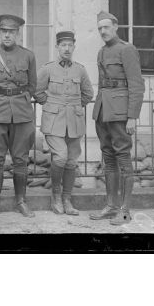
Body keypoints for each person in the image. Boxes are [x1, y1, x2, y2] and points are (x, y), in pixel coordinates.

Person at [90, 11, 145, 225]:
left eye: (106, 27)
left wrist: (132, 116)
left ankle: (125, 210)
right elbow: (103, 85)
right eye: (100, 28)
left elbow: (137, 85)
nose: (103, 31)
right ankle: (111, 206)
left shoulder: (127, 49)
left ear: (115, 26)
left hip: (121, 113)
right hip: (103, 111)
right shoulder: (101, 52)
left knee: (123, 158)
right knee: (108, 157)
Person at [0, 14, 37, 218]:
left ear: (18, 33)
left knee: (20, 159)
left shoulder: (28, 56)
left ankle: (21, 201)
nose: (7, 35)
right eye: (3, 31)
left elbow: (32, 85)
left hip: (21, 114)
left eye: (11, 32)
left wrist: (17, 99)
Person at [35, 31, 93, 216]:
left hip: (74, 122)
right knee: (60, 156)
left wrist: (75, 107)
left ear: (74, 47)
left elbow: (88, 94)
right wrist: (52, 105)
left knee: (71, 160)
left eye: (70, 45)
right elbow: (37, 91)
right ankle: (56, 195)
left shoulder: (80, 69)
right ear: (57, 47)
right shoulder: (47, 69)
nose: (67, 49)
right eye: (63, 45)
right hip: (53, 121)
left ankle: (67, 199)